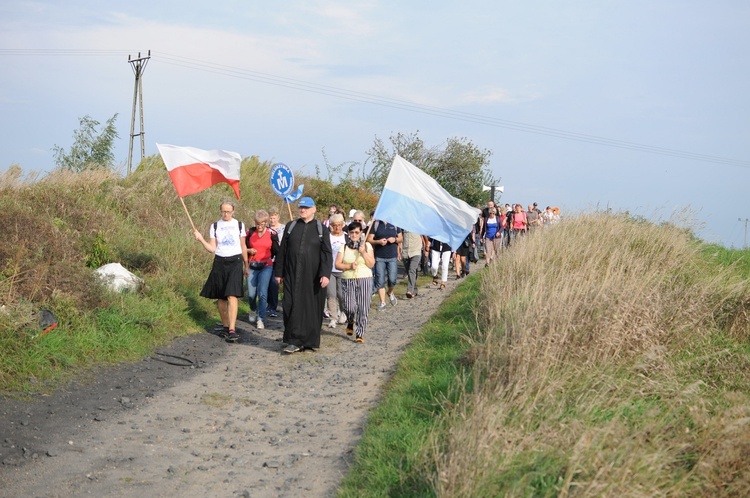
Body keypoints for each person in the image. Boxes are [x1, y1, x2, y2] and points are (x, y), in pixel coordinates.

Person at [274, 197, 332, 354]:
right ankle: (293, 340)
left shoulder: (321, 229)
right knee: (290, 305)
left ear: (314, 209)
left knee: (311, 308)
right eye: (301, 207)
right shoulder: (291, 226)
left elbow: (327, 253)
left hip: (313, 276)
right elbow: (282, 251)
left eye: (306, 207)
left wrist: (325, 274)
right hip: (291, 274)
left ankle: (308, 341)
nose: (302, 210)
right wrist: (278, 272)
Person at [194, 200, 249, 342]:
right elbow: (212, 248)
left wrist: (246, 264)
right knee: (221, 297)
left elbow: (243, 246)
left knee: (232, 295)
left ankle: (232, 329)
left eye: (228, 211)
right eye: (223, 211)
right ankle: (225, 327)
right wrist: (200, 239)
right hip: (219, 261)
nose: (225, 214)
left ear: (233, 211)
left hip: (235, 261)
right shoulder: (215, 226)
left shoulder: (239, 225)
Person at [335, 221, 375, 343]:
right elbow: (337, 264)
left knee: (363, 307)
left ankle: (360, 332)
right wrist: (349, 266)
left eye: (356, 232)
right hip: (348, 279)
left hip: (364, 278)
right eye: (351, 232)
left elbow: (371, 263)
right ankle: (350, 320)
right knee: (349, 307)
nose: (354, 235)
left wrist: (363, 252)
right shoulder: (344, 247)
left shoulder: (367, 246)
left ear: (361, 233)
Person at [245, 210, 279, 331]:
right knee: (251, 294)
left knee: (263, 292)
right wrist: (249, 251)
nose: (259, 226)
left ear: (266, 223)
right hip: (252, 265)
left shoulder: (272, 233)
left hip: (266, 265)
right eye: (257, 224)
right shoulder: (249, 232)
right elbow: (242, 247)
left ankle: (261, 318)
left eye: (262, 224)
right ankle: (253, 309)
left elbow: (277, 251)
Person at [366, 219, 403, 311]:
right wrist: (378, 242)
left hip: (392, 256)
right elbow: (369, 239)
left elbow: (401, 238)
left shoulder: (395, 223)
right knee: (380, 280)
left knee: (392, 279)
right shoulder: (376, 224)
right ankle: (382, 303)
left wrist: (395, 239)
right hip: (379, 257)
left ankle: (390, 292)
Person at [326, 213, 348, 328]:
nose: (337, 227)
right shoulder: (328, 237)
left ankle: (344, 312)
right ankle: (333, 318)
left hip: (343, 270)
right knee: (331, 294)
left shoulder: (346, 237)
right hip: (330, 270)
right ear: (331, 226)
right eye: (334, 225)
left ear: (342, 225)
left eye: (339, 225)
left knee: (341, 294)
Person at [266, 206, 285, 318]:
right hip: (268, 258)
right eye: (271, 218)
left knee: (274, 283)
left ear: (278, 217)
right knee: (266, 283)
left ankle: (273, 306)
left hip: (279, 259)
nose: (272, 220)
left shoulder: (283, 228)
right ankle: (268, 304)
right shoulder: (266, 228)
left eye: (274, 218)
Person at [400, 229, 425, 298]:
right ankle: (415, 290)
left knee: (412, 269)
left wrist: (426, 245)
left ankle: (409, 290)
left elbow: (424, 235)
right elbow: (400, 237)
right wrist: (399, 250)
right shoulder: (402, 225)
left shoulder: (417, 224)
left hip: (416, 251)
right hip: (405, 251)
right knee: (410, 272)